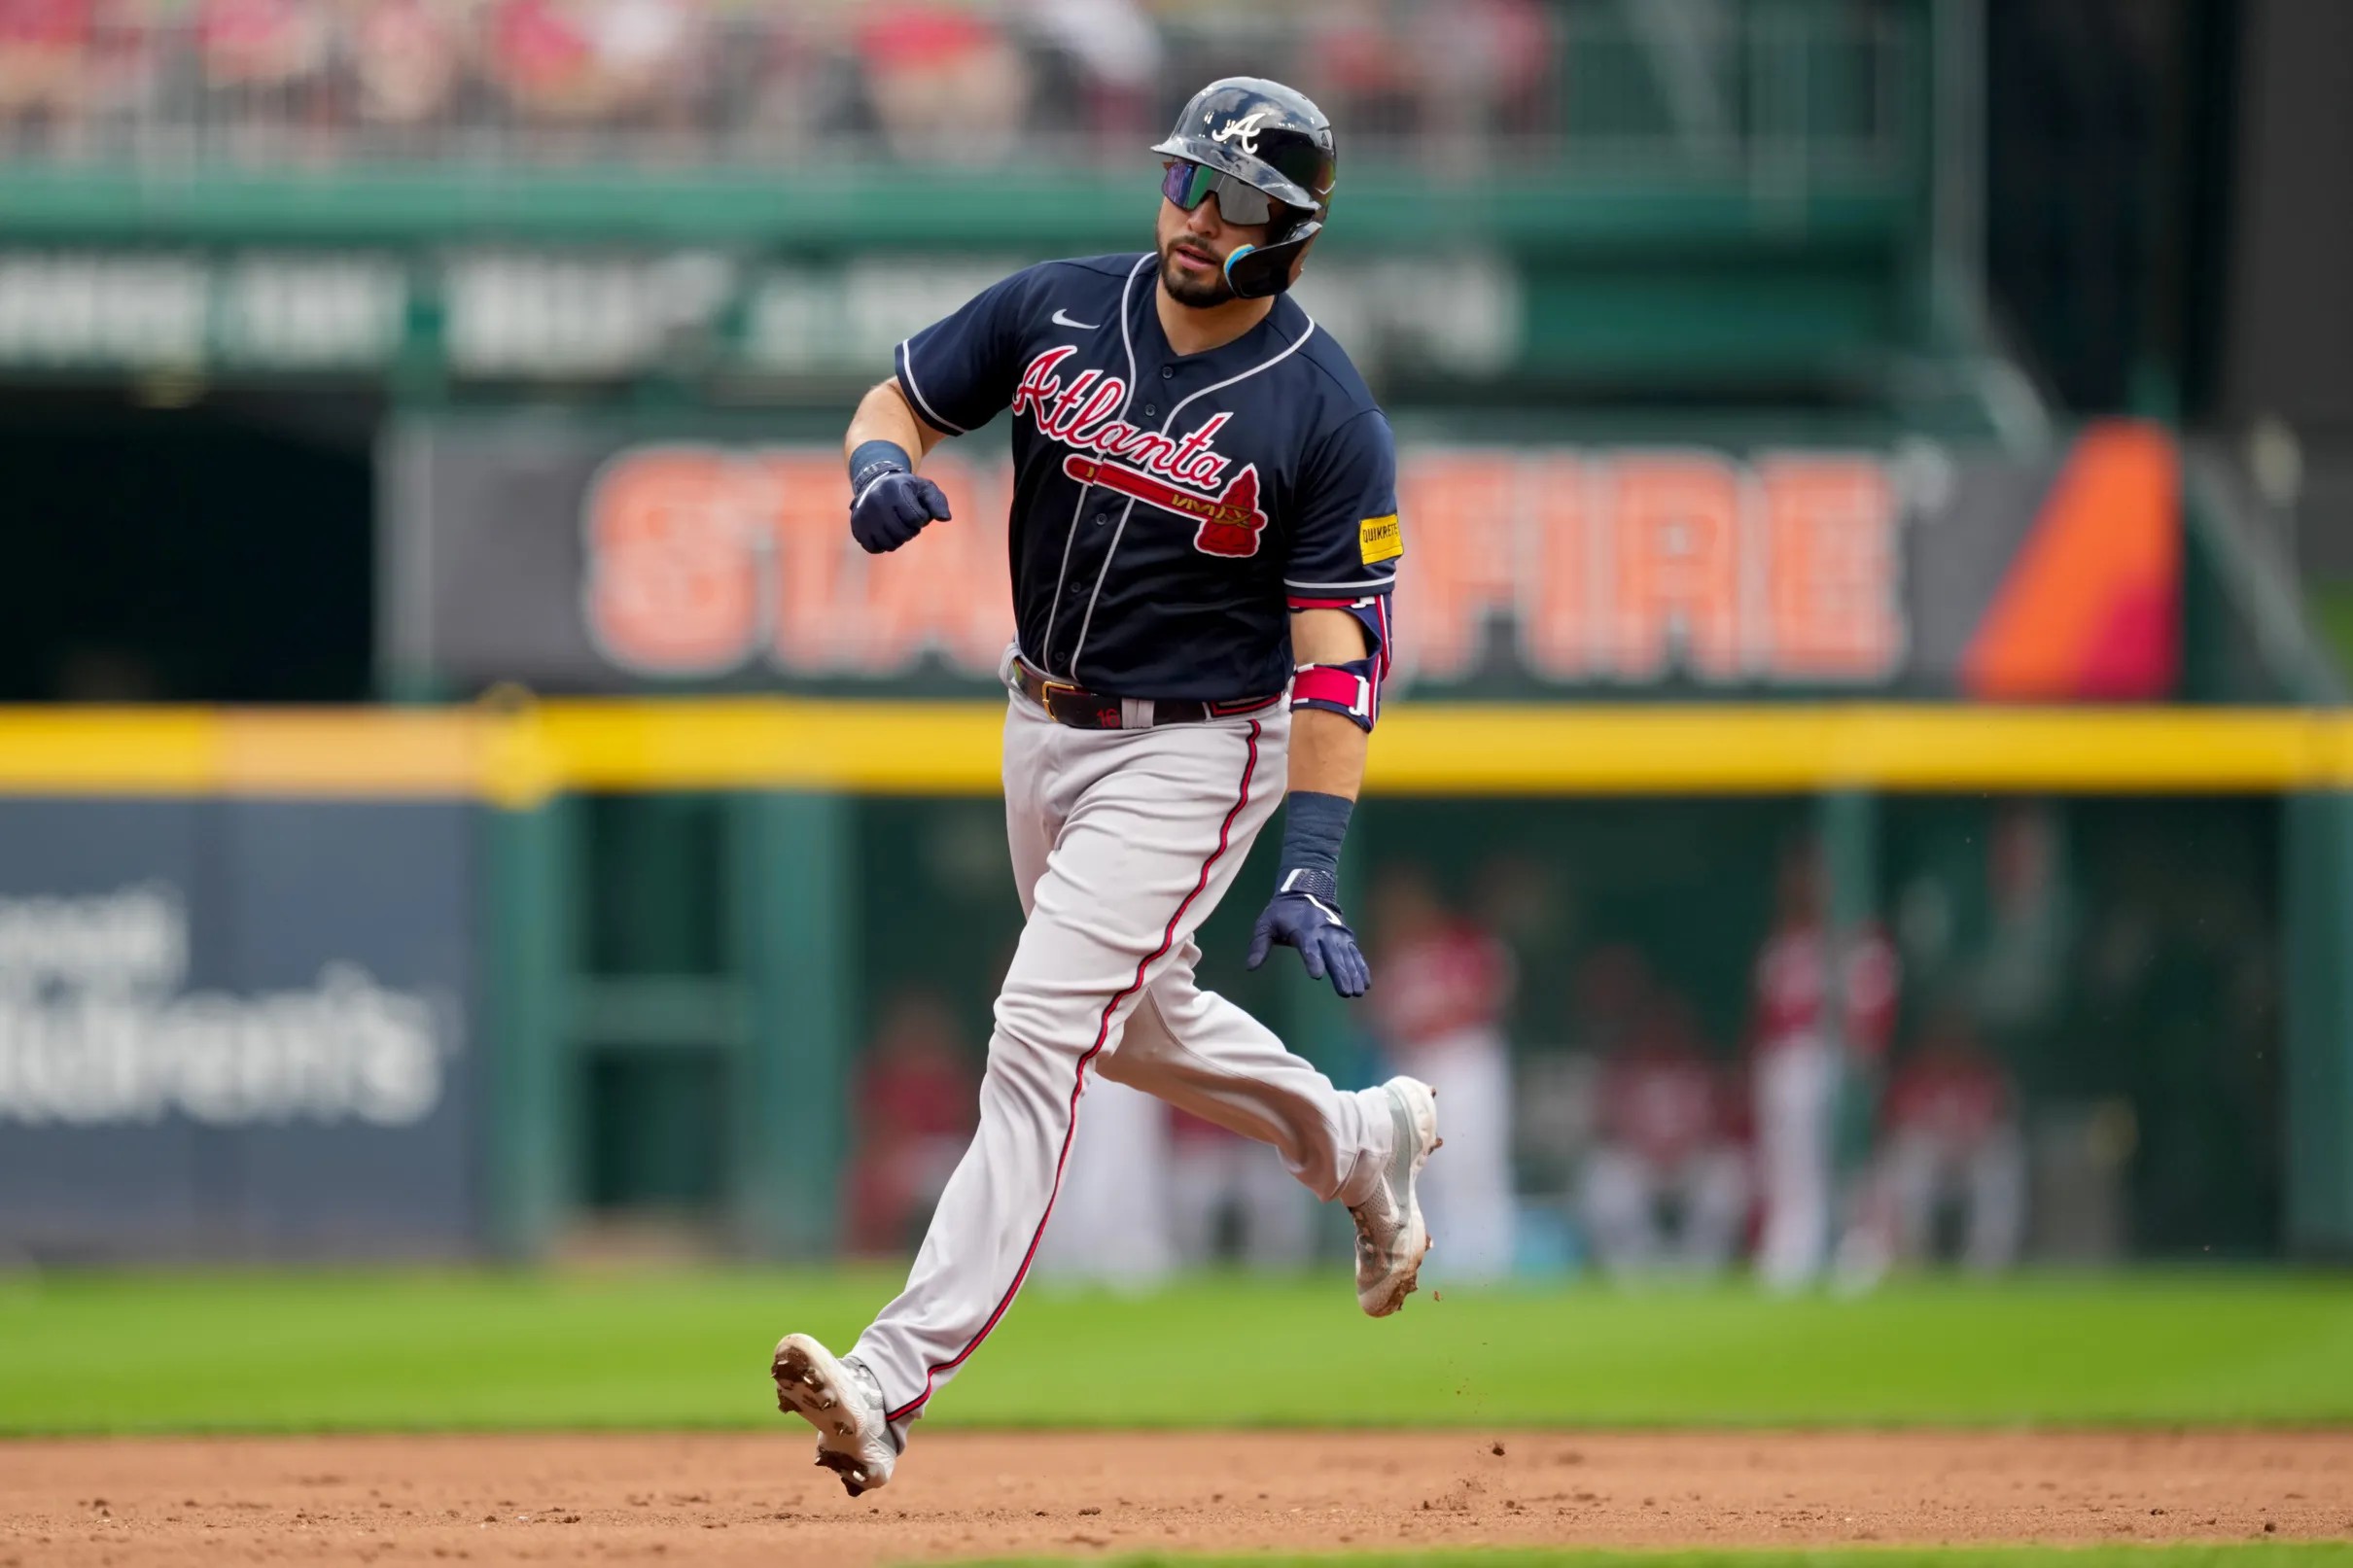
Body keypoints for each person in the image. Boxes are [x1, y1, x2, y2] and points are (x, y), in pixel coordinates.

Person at [769, 77, 1438, 1497]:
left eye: (1240, 200)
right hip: (1042, 717)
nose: (1199, 218)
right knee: (1129, 1024)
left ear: (1297, 233)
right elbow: (901, 394)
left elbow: (1337, 655)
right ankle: (1362, 1139)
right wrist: (876, 467)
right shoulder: (1060, 306)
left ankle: (888, 1383)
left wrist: (1310, 850)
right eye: (1188, 182)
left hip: (1201, 742)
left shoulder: (1325, 414)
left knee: (1037, 1029)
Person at [1747, 840, 1899, 1290]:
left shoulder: (1864, 941)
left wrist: (1861, 1066)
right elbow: (1766, 1018)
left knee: (1853, 1164)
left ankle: (1863, 1249)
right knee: (1792, 1167)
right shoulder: (1782, 942)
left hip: (1843, 1065)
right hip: (1787, 1065)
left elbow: (1876, 1018)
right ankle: (1793, 1248)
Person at [1367, 864, 1515, 1278]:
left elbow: (1488, 997)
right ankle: (1429, 1265)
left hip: (1464, 1059)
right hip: (1412, 1064)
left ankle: (1486, 1264)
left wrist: (1431, 1017)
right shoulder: (1391, 953)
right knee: (1414, 1170)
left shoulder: (1463, 941)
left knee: (1472, 1163)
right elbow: (1375, 1013)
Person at [1581, 993, 1747, 1276]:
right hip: (1642, 1163)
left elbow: (1711, 1123)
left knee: (1729, 1170)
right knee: (1604, 1173)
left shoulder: (1697, 1065)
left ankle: (1702, 1265)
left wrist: (1676, 1150)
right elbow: (1612, 1123)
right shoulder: (1627, 1067)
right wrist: (1652, 1150)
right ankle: (1632, 1266)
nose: (1662, 1032)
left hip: (1688, 1163)